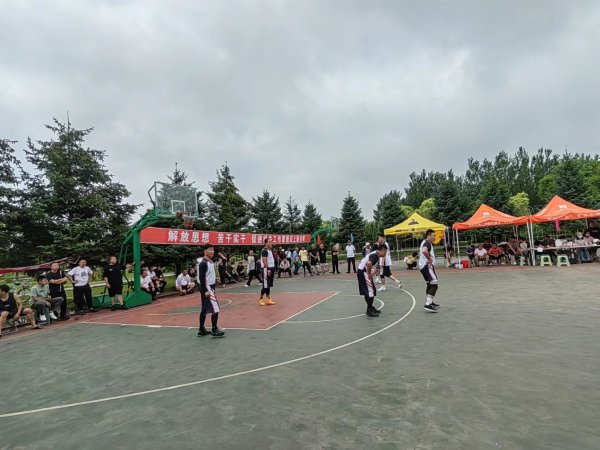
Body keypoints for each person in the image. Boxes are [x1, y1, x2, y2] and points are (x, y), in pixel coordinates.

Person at [196, 245, 225, 338]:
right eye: (210, 250)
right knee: (215, 308)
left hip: (210, 286)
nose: (212, 251)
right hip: (207, 287)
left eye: (212, 250)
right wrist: (205, 290)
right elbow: (201, 278)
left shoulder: (210, 262)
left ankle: (201, 329)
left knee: (204, 309)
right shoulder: (203, 263)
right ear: (205, 251)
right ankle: (214, 329)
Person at [357, 243, 387, 317]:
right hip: (363, 272)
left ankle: (370, 307)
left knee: (371, 290)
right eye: (385, 252)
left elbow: (376, 268)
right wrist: (369, 273)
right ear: (382, 250)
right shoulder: (375, 255)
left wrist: (372, 274)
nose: (385, 253)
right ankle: (369, 310)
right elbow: (369, 263)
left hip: (362, 271)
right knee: (371, 291)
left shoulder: (376, 254)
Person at [419, 229, 440, 313]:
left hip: (423, 267)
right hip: (427, 266)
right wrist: (429, 258)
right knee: (434, 284)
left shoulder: (424, 242)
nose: (435, 237)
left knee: (429, 284)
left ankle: (430, 302)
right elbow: (424, 250)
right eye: (433, 236)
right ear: (428, 236)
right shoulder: (427, 243)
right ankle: (427, 304)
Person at [258, 238, 276, 306]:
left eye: (271, 242)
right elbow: (264, 261)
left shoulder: (270, 250)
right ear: (266, 243)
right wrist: (267, 269)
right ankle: (260, 299)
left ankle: (268, 299)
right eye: (270, 242)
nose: (271, 243)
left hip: (271, 268)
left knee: (268, 285)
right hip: (266, 269)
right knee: (265, 285)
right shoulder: (264, 250)